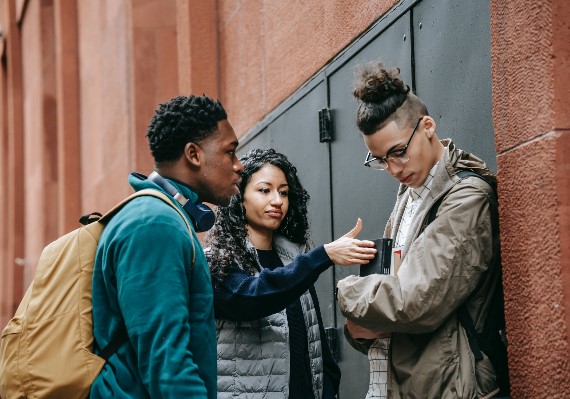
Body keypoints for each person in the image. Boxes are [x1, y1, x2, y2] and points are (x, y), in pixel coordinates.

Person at [336, 62, 507, 398]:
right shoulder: (410, 194)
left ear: (427, 126)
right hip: (410, 381)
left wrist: (349, 293)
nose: (393, 168)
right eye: (381, 160)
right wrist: (361, 330)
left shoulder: (467, 197)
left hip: (454, 386)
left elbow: (417, 300)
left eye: (398, 152)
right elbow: (395, 291)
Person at [90, 95, 243, 399]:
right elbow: (167, 365)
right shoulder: (154, 224)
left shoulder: (161, 218)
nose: (239, 166)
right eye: (230, 152)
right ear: (193, 154)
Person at [205, 148, 377, 399]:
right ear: (239, 197)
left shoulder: (294, 260)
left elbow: (318, 348)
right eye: (264, 190)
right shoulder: (217, 261)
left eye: (283, 192)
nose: (277, 200)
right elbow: (255, 296)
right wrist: (323, 255)